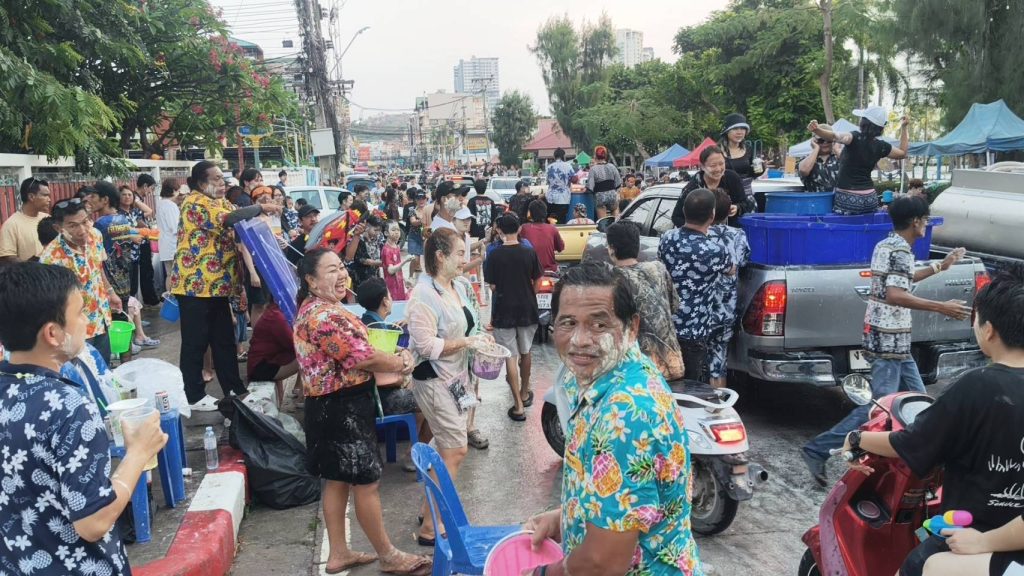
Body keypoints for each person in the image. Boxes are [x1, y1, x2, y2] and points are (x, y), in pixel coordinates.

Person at [838, 263, 1024, 576]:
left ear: (989, 330)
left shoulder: (978, 386)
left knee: (917, 566)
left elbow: (911, 442)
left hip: (974, 539)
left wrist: (857, 438)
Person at [522, 262, 704, 576]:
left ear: (632, 326)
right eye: (568, 322)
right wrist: (567, 517)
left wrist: (540, 575)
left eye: (599, 324)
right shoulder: (603, 374)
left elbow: (603, 562)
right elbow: (619, 498)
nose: (580, 340)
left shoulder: (626, 414)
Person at [0, 261, 168, 576]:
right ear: (53, 333)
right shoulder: (69, 406)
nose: (87, 321)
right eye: (80, 313)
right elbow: (93, 521)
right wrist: (138, 453)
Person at [801, 196, 971, 486]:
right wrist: (941, 307)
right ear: (916, 222)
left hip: (892, 339)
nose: (926, 224)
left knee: (920, 404)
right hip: (889, 341)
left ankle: (915, 465)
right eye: (925, 219)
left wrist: (941, 267)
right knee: (880, 409)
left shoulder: (888, 244)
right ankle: (819, 449)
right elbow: (895, 295)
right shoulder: (900, 250)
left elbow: (902, 280)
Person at [292, 249, 431, 575]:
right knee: (366, 482)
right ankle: (388, 555)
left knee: (337, 480)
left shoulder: (322, 308)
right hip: (341, 409)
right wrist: (399, 362)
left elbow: (361, 346)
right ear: (311, 280)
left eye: (341, 267)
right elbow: (362, 357)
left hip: (331, 406)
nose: (341, 274)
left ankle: (339, 553)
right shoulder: (323, 317)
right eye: (331, 270)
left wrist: (393, 353)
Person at [170, 160, 281, 412]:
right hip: (195, 286)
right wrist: (260, 207)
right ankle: (193, 395)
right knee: (195, 342)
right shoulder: (195, 203)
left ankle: (234, 389)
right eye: (216, 179)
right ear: (201, 183)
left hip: (218, 286)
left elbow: (239, 219)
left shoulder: (220, 202)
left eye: (223, 178)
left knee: (224, 340)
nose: (222, 183)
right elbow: (230, 219)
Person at [408, 228, 493, 544]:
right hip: (434, 380)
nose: (464, 259)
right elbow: (426, 346)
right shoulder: (423, 295)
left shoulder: (458, 285)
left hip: (458, 378)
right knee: (455, 449)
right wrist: (467, 342)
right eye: (459, 253)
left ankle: (428, 508)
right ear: (440, 256)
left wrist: (480, 338)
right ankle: (430, 528)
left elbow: (472, 324)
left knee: (446, 446)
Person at [660, 188, 734, 383]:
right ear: (712, 215)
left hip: (666, 328)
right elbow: (731, 270)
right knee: (692, 388)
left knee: (665, 384)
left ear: (684, 211)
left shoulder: (667, 238)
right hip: (694, 332)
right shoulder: (716, 250)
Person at [40, 199, 122, 364]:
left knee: (103, 367)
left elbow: (98, 267)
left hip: (101, 317)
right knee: (83, 372)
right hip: (75, 329)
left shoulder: (95, 236)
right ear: (58, 228)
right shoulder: (51, 258)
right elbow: (51, 302)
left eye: (85, 222)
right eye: (73, 226)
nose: (82, 230)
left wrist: (110, 292)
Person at [606, 220, 685, 382]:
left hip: (640, 371)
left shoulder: (612, 279)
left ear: (612, 249)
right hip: (674, 364)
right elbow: (674, 306)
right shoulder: (657, 268)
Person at [484, 213, 542, 421]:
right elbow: (538, 279)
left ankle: (518, 406)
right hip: (527, 308)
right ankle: (525, 392)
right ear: (519, 229)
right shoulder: (529, 252)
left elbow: (492, 286)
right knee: (526, 351)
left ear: (499, 230)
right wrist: (529, 294)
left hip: (503, 310)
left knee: (510, 355)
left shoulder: (494, 255)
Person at [808, 107, 910, 215]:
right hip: (870, 198)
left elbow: (834, 136)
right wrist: (904, 128)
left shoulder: (854, 137)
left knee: (842, 224)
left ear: (863, 122)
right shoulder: (881, 146)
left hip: (848, 198)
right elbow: (903, 153)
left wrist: (816, 130)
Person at [706, 190, 751, 388]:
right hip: (725, 309)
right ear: (728, 212)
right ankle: (717, 403)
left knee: (694, 360)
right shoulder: (738, 235)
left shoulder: (697, 236)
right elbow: (743, 260)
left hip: (698, 310)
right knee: (718, 360)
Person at [88, 182, 140, 313]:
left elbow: (95, 256)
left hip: (109, 285)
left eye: (93, 196)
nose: (89, 200)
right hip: (124, 281)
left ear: (105, 200)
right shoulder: (122, 219)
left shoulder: (100, 224)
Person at [672, 146, 754, 228]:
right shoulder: (692, 188)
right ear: (702, 166)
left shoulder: (732, 178)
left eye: (721, 164)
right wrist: (698, 230)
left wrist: (737, 208)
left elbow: (746, 203)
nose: (718, 169)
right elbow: (676, 217)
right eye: (713, 165)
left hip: (729, 231)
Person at [247, 294, 298, 406]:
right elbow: (294, 345)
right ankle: (303, 395)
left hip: (267, 361)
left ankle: (300, 394)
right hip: (260, 368)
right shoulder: (276, 316)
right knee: (307, 358)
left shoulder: (275, 312)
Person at [121, 181, 160, 305]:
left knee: (133, 286)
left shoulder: (133, 212)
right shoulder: (117, 214)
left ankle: (133, 310)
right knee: (125, 287)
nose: (127, 197)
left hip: (135, 253)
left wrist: (136, 201)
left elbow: (149, 211)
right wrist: (131, 235)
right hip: (123, 255)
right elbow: (116, 232)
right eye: (124, 195)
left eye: (129, 195)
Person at [0, 176, 51, 263]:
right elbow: (7, 258)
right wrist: (32, 266)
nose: (49, 199)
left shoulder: (47, 218)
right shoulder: (11, 225)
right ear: (31, 197)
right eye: (45, 195)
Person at [718, 112, 765, 199]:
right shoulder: (716, 151)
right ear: (727, 131)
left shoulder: (749, 149)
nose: (739, 132)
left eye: (743, 129)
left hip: (745, 196)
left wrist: (761, 168)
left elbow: (752, 173)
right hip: (723, 196)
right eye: (735, 129)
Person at [519, 200, 564, 274]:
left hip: (530, 271)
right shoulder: (552, 229)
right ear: (545, 213)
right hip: (550, 271)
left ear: (530, 213)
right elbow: (561, 248)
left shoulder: (524, 228)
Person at [155, 177, 183, 293]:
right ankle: (175, 297)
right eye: (178, 190)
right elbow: (175, 227)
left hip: (165, 244)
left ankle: (170, 298)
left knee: (169, 274)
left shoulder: (161, 203)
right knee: (175, 274)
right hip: (173, 245)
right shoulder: (170, 205)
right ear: (173, 190)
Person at [797, 126, 841, 193]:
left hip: (838, 199)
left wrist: (837, 149)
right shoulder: (806, 159)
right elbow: (804, 171)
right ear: (814, 141)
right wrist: (816, 148)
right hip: (815, 199)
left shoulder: (839, 157)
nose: (825, 143)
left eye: (828, 140)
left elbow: (853, 170)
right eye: (821, 140)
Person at [587, 145, 622, 220]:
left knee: (602, 221)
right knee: (615, 213)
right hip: (612, 195)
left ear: (595, 156)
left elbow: (590, 187)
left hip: (600, 197)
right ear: (605, 155)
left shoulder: (593, 169)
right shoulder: (612, 166)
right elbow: (618, 183)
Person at [382, 220, 414, 301]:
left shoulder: (396, 247)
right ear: (386, 233)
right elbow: (390, 270)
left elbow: (398, 269)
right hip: (391, 285)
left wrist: (404, 279)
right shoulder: (386, 250)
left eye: (398, 230)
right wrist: (405, 261)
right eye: (393, 230)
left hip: (399, 283)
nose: (397, 232)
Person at [350, 214, 384, 288]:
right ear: (367, 226)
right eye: (375, 230)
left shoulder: (379, 236)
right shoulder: (359, 238)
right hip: (362, 274)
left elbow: (382, 249)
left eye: (379, 230)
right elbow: (360, 259)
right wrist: (377, 262)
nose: (378, 233)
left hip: (375, 272)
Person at [403, 189, 428, 278]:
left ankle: (428, 278)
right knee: (415, 259)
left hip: (426, 237)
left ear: (426, 199)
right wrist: (422, 220)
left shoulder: (429, 210)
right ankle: (410, 277)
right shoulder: (412, 210)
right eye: (418, 198)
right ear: (415, 200)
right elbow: (413, 222)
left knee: (429, 259)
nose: (421, 200)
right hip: (414, 237)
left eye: (423, 198)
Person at [546, 147, 574, 223]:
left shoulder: (549, 167)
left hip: (551, 198)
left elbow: (548, 182)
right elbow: (574, 179)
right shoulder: (568, 166)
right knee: (561, 220)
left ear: (554, 156)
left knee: (551, 220)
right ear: (563, 156)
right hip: (563, 198)